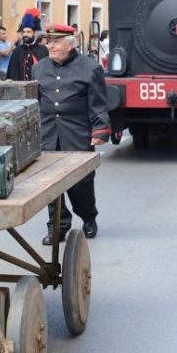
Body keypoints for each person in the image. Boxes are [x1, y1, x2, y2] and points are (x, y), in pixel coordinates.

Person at [33, 24, 110, 244]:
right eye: (49, 41)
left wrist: (100, 130)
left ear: (70, 43)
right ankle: (57, 227)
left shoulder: (89, 67)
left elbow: (97, 103)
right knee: (50, 184)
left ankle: (88, 216)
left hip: (77, 134)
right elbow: (34, 103)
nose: (51, 46)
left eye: (56, 41)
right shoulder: (39, 69)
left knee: (81, 184)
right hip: (48, 135)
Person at [7, 13, 48, 81]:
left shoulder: (43, 50)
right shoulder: (17, 51)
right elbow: (12, 73)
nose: (25, 34)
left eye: (28, 32)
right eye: (24, 32)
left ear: (34, 33)